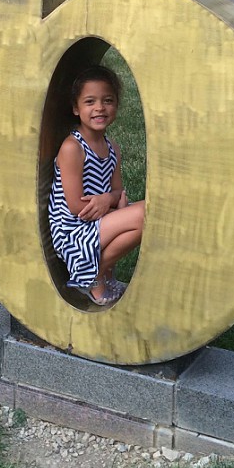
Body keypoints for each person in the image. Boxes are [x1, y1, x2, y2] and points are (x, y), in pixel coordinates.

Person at [48, 66, 145, 306]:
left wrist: (108, 200)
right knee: (145, 213)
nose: (100, 107)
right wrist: (112, 204)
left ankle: (100, 272)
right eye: (90, 101)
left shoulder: (112, 147)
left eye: (107, 100)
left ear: (116, 105)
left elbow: (117, 192)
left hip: (97, 220)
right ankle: (91, 276)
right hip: (73, 232)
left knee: (150, 215)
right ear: (76, 108)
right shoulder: (72, 148)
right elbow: (75, 207)